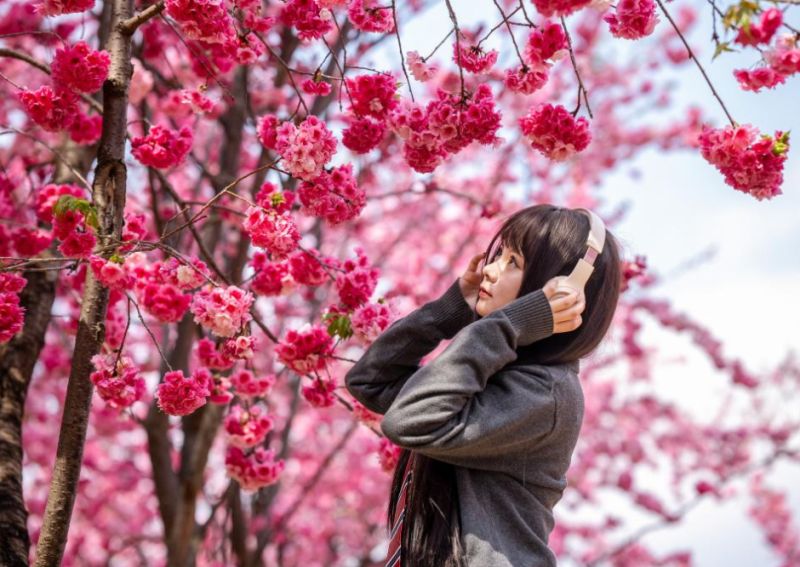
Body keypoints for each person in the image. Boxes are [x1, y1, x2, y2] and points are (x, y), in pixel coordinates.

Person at [345, 204, 623, 566]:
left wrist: (510, 323)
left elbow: (408, 422)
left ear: (562, 290)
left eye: (513, 263)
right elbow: (371, 380)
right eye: (498, 255)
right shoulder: (491, 371)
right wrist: (453, 308)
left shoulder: (546, 393)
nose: (490, 270)